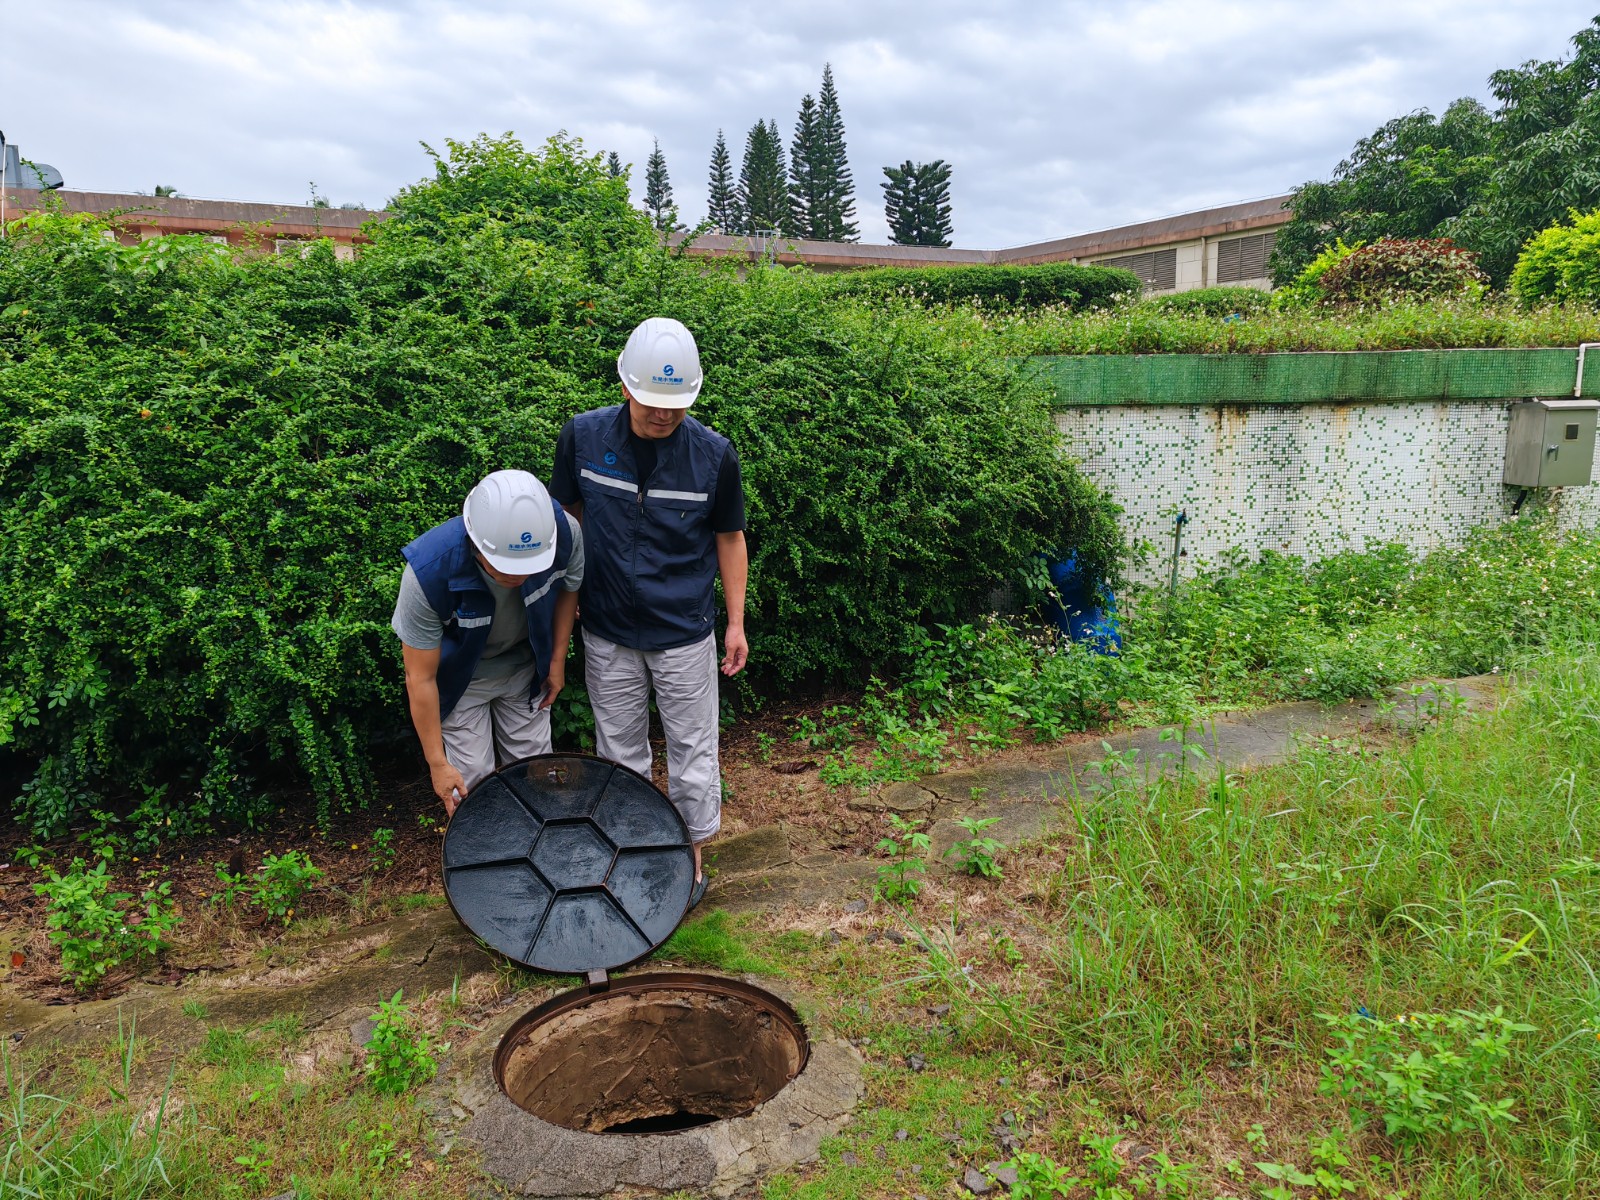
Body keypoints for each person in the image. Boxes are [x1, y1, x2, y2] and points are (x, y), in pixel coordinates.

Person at [549, 317, 748, 904]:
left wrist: (734, 622)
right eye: (652, 402)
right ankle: (633, 848)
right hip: (607, 626)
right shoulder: (582, 439)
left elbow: (730, 538)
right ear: (625, 386)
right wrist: (567, 596)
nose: (664, 415)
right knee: (619, 749)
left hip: (683, 631)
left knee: (692, 750)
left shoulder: (713, 456)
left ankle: (689, 854)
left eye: (676, 406)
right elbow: (568, 520)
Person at [392, 470, 583, 817]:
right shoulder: (429, 573)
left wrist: (557, 662)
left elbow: (569, 589)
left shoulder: (564, 532)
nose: (520, 576)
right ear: (476, 543)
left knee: (536, 770)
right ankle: (484, 861)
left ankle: (540, 850)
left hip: (525, 670)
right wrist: (437, 763)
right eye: (508, 567)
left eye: (530, 566)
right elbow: (419, 677)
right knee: (473, 785)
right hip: (461, 683)